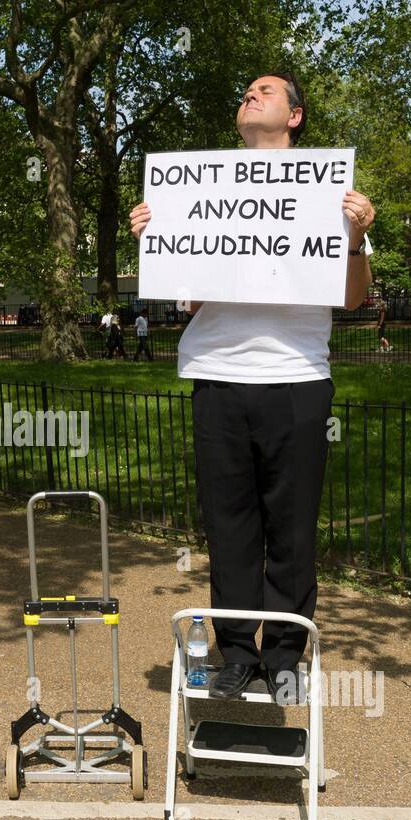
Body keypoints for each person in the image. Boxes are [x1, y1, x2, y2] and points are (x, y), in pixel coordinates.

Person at [129, 71, 375, 702]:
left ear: (294, 117)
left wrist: (355, 235)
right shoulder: (202, 191)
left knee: (291, 526)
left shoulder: (331, 197)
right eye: (244, 91)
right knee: (229, 523)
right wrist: (162, 240)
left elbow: (353, 297)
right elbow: (189, 299)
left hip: (296, 377)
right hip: (218, 374)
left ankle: (286, 654)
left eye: (264, 91)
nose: (249, 96)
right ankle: (235, 651)